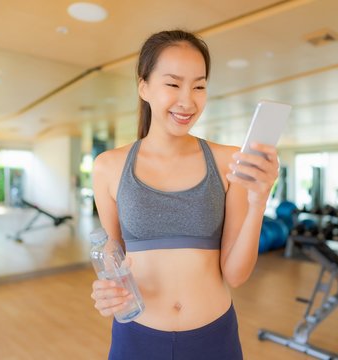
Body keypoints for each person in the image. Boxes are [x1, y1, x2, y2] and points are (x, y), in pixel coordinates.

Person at [90, 29, 279, 360]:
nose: (188, 100)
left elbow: (236, 274)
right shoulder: (108, 166)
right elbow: (113, 248)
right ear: (143, 86)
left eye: (199, 86)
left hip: (214, 339)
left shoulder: (228, 161)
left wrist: (258, 201)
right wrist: (107, 288)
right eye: (173, 84)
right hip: (136, 339)